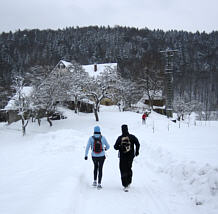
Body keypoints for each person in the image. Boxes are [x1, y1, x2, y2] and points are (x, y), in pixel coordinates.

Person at [114, 124, 140, 192]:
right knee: (129, 168)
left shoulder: (120, 138)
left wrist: (120, 147)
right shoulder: (132, 137)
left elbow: (115, 147)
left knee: (123, 169)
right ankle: (129, 182)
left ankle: (125, 184)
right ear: (127, 129)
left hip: (122, 156)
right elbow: (138, 143)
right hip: (131, 156)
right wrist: (137, 151)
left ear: (122, 130)